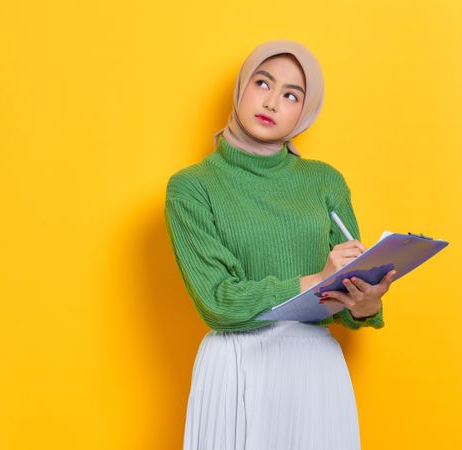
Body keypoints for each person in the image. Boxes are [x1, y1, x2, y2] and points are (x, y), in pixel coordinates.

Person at [164, 39, 396, 449]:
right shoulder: (192, 188)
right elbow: (217, 302)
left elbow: (348, 298)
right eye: (262, 84)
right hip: (237, 365)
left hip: (315, 370)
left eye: (291, 95)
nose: (272, 103)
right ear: (241, 89)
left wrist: (366, 302)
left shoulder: (325, 182)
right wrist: (318, 279)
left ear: (304, 112)